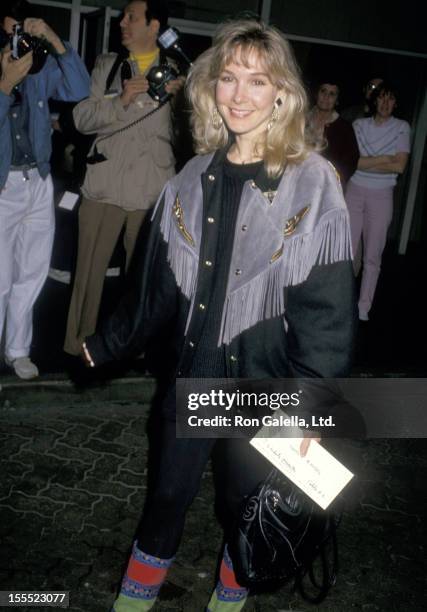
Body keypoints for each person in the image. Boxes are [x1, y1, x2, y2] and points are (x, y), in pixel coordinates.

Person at [81, 19, 356, 611]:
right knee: (165, 501)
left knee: (247, 512)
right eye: (228, 78)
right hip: (194, 376)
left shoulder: (312, 183)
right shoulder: (188, 179)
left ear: (281, 93)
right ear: (210, 89)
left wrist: (304, 414)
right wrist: (105, 343)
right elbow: (154, 288)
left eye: (258, 81)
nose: (239, 95)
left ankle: (226, 606)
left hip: (266, 385)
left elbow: (328, 321)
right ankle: (132, 603)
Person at [63, 0, 185, 357]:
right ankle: (77, 345)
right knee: (87, 272)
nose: (122, 23)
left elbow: (194, 133)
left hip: (150, 189)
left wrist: (184, 101)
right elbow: (82, 117)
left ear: (154, 25)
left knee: (143, 278)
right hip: (105, 183)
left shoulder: (177, 71)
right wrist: (122, 100)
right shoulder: (108, 64)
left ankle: (137, 346)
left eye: (131, 18)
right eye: (123, 18)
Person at [0, 0, 90, 379]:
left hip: (37, 179)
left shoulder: (37, 69)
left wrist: (53, 39)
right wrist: (5, 85)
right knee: (1, 277)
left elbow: (79, 87)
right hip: (3, 186)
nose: (17, 41)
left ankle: (18, 349)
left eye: (22, 32)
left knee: (32, 272)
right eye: (10, 33)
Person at [346, 81, 410, 321]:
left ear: (396, 103)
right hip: (354, 191)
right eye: (381, 98)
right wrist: (385, 158)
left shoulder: (402, 127)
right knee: (348, 252)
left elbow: (401, 165)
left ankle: (364, 306)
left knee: (373, 254)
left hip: (381, 195)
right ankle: (343, 299)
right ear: (374, 100)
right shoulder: (358, 125)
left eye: (390, 99)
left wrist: (368, 161)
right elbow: (354, 162)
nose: (385, 103)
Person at [306, 77, 359, 188]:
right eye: (323, 91)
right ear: (317, 94)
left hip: (324, 187)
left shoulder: (344, 128)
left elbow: (350, 163)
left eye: (332, 94)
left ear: (337, 100)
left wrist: (333, 182)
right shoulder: (301, 120)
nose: (326, 97)